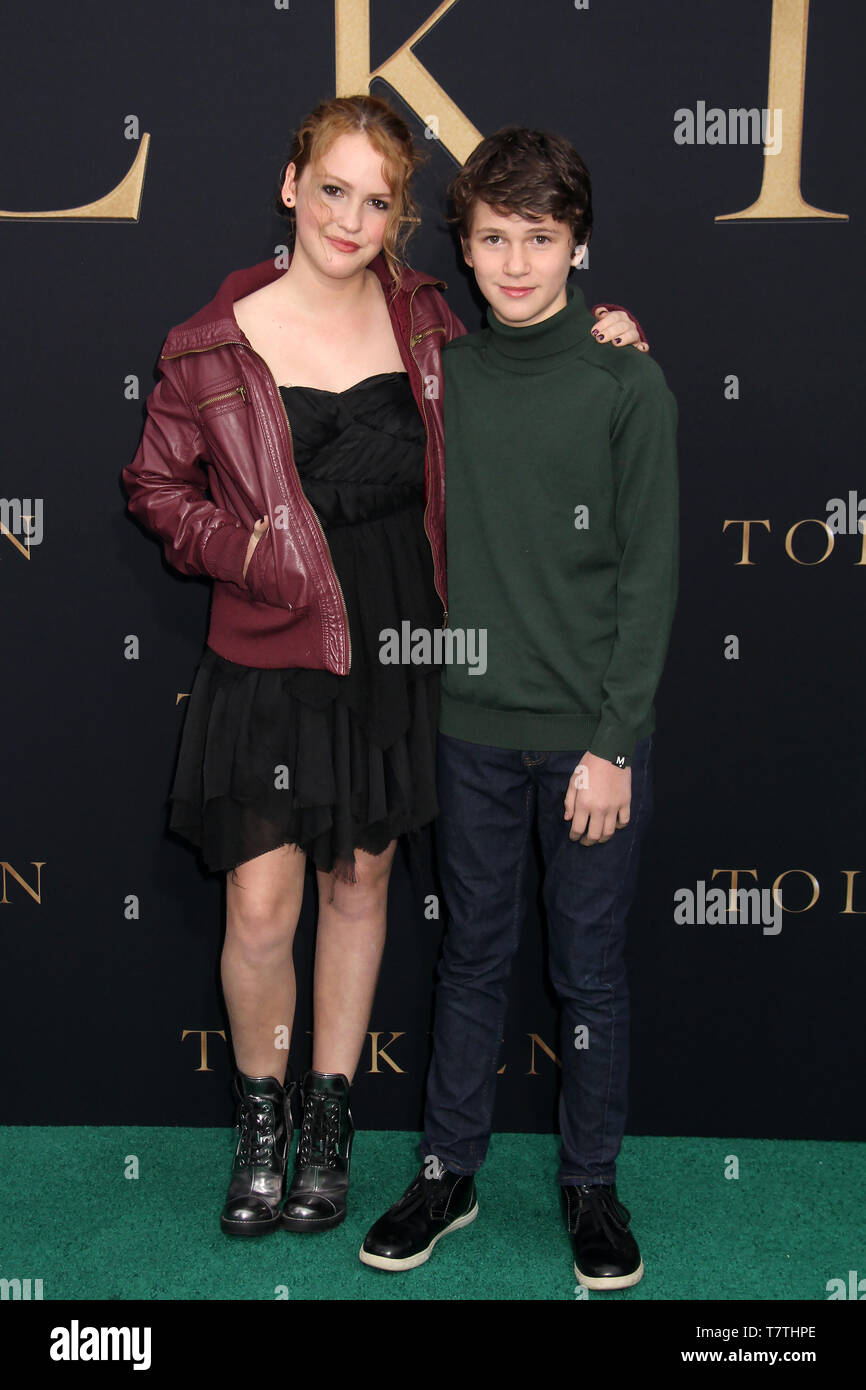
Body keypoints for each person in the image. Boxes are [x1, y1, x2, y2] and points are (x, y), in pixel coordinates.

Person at [122, 96, 643, 1241]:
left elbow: (528, 365)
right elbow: (157, 490)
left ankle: (328, 1125)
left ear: (400, 213)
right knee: (261, 908)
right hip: (268, 647)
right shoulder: (210, 342)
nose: (350, 217)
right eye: (332, 188)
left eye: (377, 198)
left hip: (400, 645)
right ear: (290, 185)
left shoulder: (426, 320)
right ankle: (261, 1123)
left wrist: (607, 331)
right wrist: (240, 547)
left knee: (359, 889)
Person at [360, 127, 679, 1290]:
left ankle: (590, 1184)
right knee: (469, 962)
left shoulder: (623, 380)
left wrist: (609, 743)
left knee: (588, 971)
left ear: (575, 244)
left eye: (537, 239)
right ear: (465, 242)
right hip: (467, 731)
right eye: (492, 237)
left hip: (589, 741)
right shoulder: (441, 367)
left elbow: (647, 575)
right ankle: (448, 1168)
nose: (513, 261)